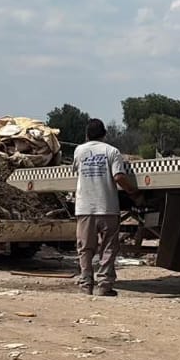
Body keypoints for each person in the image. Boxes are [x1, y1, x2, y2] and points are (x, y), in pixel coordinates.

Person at [73, 118, 137, 296]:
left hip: (85, 208)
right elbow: (119, 177)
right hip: (107, 207)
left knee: (85, 248)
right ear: (104, 134)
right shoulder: (112, 151)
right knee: (108, 248)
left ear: (87, 135)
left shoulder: (79, 151)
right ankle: (104, 285)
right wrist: (133, 191)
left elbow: (76, 171)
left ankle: (85, 285)